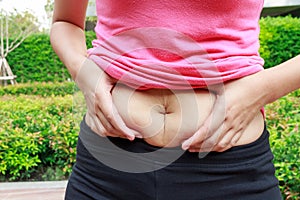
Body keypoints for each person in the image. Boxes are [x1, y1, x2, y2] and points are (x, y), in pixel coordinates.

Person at [50, 0, 300, 199]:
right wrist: (84, 72)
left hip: (228, 168)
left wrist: (261, 89)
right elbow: (65, 21)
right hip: (106, 166)